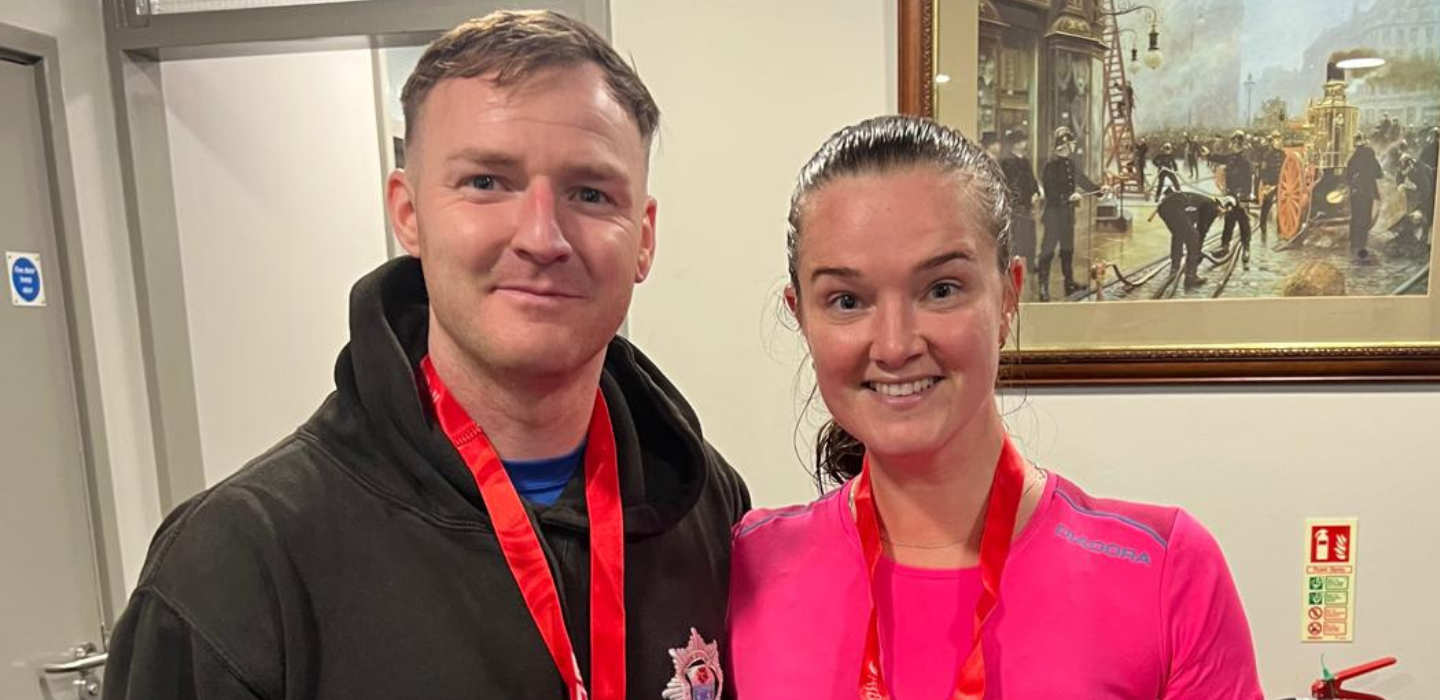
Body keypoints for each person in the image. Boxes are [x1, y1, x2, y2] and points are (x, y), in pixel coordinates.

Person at [103, 11, 749, 700]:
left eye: (590, 193)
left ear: (643, 238)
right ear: (408, 212)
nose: (541, 236)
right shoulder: (238, 565)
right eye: (486, 182)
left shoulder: (705, 506)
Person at [727, 115, 1262, 699]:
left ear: (1008, 297)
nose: (896, 344)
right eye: (847, 300)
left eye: (941, 289)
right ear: (801, 315)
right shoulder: (746, 568)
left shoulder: (1163, 573)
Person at [1038, 126, 1104, 301]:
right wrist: (1068, 197)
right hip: (1053, 216)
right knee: (1048, 251)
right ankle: (1043, 288)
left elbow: (1082, 180)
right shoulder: (1050, 165)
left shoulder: (1071, 164)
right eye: (1072, 143)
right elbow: (1050, 192)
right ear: (1065, 144)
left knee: (1067, 251)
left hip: (1067, 217)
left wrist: (1098, 190)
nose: (1074, 146)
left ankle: (1069, 284)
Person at [1153, 185, 1218, 289]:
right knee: (1194, 239)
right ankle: (1190, 277)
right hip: (1175, 208)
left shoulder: (1200, 201)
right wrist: (1197, 251)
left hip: (1163, 208)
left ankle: (1175, 267)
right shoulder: (1211, 207)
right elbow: (1202, 231)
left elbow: (1190, 219)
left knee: (1178, 234)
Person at [1209, 130, 1255, 265]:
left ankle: (1246, 248)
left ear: (1242, 145)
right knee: (1229, 220)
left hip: (1240, 196)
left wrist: (1244, 199)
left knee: (1243, 223)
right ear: (1231, 144)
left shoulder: (1246, 162)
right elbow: (1219, 158)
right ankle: (1224, 246)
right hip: (1230, 195)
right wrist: (1208, 155)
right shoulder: (1229, 158)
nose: (1236, 146)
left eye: (1238, 144)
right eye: (1234, 143)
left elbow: (1248, 181)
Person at [998, 128, 1040, 276]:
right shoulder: (1007, 161)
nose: (1024, 143)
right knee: (1016, 234)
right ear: (1015, 144)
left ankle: (1030, 261)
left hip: (1027, 203)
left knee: (1030, 234)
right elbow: (1008, 182)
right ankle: (1014, 263)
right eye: (1022, 141)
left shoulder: (1025, 160)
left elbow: (1031, 179)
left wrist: (1036, 192)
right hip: (1016, 205)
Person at [1347, 132, 1384, 261]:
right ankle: (1361, 244)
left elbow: (1349, 171)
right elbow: (1380, 174)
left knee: (1356, 216)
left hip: (1357, 191)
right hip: (1368, 191)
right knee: (1365, 217)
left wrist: (1350, 184)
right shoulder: (1371, 154)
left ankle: (1353, 242)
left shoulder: (1356, 155)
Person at [1256, 132, 1285, 243]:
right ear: (1273, 141)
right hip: (1270, 183)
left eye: (1280, 139)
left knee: (1280, 206)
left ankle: (1280, 227)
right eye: (1276, 140)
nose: (1278, 142)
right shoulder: (1267, 155)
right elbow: (1263, 170)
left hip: (1281, 184)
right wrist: (1266, 183)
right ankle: (1262, 225)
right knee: (1267, 205)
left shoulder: (1283, 154)